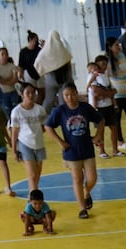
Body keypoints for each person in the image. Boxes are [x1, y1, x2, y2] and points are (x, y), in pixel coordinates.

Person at [46, 83, 99, 220]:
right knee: (77, 179)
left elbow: (100, 119)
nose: (69, 98)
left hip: (87, 148)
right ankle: (82, 208)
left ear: (76, 93)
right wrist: (61, 142)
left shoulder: (85, 107)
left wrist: (99, 135)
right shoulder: (60, 110)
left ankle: (86, 192)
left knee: (92, 178)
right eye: (66, 95)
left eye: (71, 94)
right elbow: (48, 126)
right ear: (62, 96)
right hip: (71, 151)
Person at [6, 84, 48, 196]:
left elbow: (44, 127)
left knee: (38, 173)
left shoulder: (40, 109)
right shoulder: (17, 111)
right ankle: (33, 196)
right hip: (25, 144)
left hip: (39, 144)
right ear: (21, 94)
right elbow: (14, 131)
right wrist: (14, 149)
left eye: (32, 92)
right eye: (27, 92)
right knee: (32, 174)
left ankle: (34, 192)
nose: (30, 95)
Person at [85, 55, 125, 159]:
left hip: (108, 105)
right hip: (99, 108)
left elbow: (114, 90)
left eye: (106, 64)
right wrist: (108, 93)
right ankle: (102, 151)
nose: (104, 66)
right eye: (102, 64)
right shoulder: (93, 76)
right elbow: (95, 90)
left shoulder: (105, 76)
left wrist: (107, 93)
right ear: (96, 64)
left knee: (114, 127)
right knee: (101, 129)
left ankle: (115, 150)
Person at [36, 30, 72, 113]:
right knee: (63, 100)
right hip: (64, 77)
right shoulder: (63, 49)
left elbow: (38, 62)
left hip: (50, 78)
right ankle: (64, 117)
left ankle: (43, 116)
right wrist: (70, 77)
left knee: (49, 100)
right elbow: (68, 62)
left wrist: (44, 71)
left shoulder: (46, 50)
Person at [0, 46, 21, 113]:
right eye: (2, 54)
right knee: (7, 110)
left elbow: (15, 79)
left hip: (13, 91)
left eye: (6, 54)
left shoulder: (12, 66)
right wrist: (9, 79)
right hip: (3, 93)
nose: (4, 56)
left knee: (16, 109)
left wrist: (5, 81)